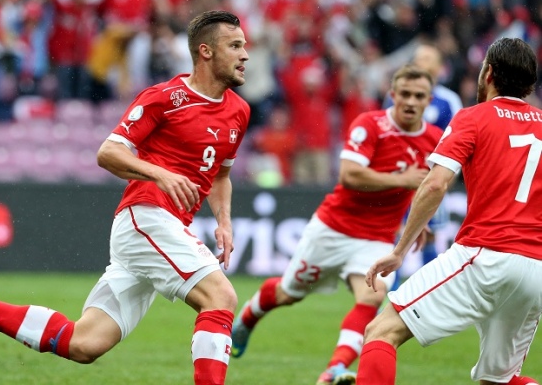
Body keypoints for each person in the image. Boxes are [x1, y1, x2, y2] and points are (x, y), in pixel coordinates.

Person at [0, 10, 250, 385]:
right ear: (206, 51)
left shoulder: (239, 112)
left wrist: (224, 221)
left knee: (84, 343)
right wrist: (160, 173)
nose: (245, 54)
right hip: (147, 215)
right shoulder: (165, 98)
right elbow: (108, 152)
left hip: (164, 229)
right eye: (235, 45)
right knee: (220, 297)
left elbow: (220, 174)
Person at [231, 64, 443, 385]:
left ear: (429, 100)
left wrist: (418, 221)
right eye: (405, 94)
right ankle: (248, 318)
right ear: (392, 94)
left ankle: (335, 368)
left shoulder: (435, 139)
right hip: (334, 228)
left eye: (419, 96)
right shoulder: (370, 125)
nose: (411, 101)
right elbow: (349, 175)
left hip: (379, 237)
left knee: (371, 298)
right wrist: (401, 179)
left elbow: (424, 187)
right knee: (288, 293)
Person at [359, 37, 541, 385]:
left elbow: (435, 184)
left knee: (381, 331)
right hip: (535, 269)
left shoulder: (473, 117)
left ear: (489, 73)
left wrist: (399, 251)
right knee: (499, 380)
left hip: (487, 254)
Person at [384, 43, 463, 270]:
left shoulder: (448, 100)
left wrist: (446, 179)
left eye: (427, 58)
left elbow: (457, 141)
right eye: (418, 58)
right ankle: (391, 285)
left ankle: (427, 285)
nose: (421, 63)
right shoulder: (395, 97)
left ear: (439, 67)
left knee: (428, 236)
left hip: (431, 179)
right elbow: (385, 133)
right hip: (399, 177)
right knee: (395, 233)